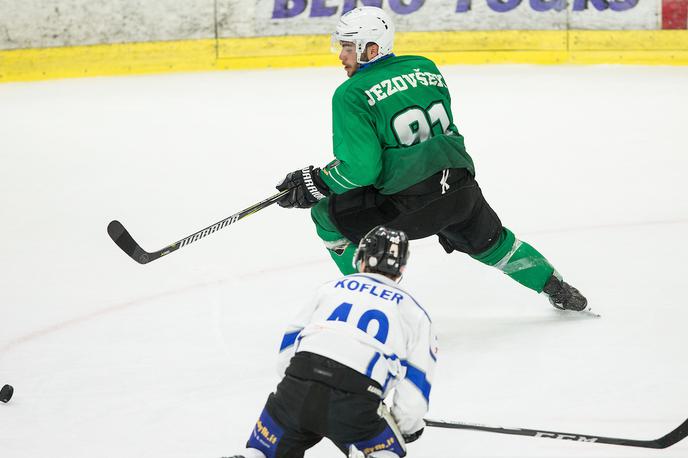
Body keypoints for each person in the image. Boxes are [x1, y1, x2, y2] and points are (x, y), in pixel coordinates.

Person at [275, 6, 589, 313]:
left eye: (347, 47)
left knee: (325, 214)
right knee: (497, 244)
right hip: (461, 191)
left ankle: (372, 304)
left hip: (407, 204)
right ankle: (557, 287)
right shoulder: (425, 67)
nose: (340, 56)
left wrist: (319, 183)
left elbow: (363, 169)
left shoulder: (351, 93)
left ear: (370, 49)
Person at [227, 226, 436, 458]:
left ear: (361, 257)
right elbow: (415, 388)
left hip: (298, 384)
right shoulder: (414, 312)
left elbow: (287, 354)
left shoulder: (330, 290)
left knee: (263, 452)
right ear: (402, 268)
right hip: (356, 401)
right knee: (384, 452)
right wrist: (406, 425)